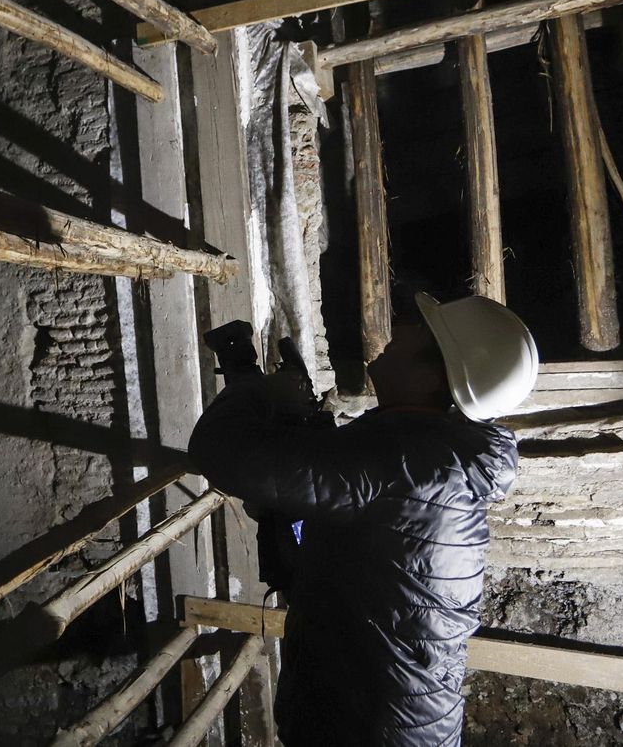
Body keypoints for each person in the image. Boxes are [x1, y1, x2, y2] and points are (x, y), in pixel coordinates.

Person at [189, 292, 536, 747]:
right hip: (396, 723)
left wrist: (255, 389)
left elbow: (220, 451)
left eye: (422, 329)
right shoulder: (434, 457)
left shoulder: (402, 459)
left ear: (434, 374)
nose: (403, 328)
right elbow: (370, 554)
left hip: (368, 730)